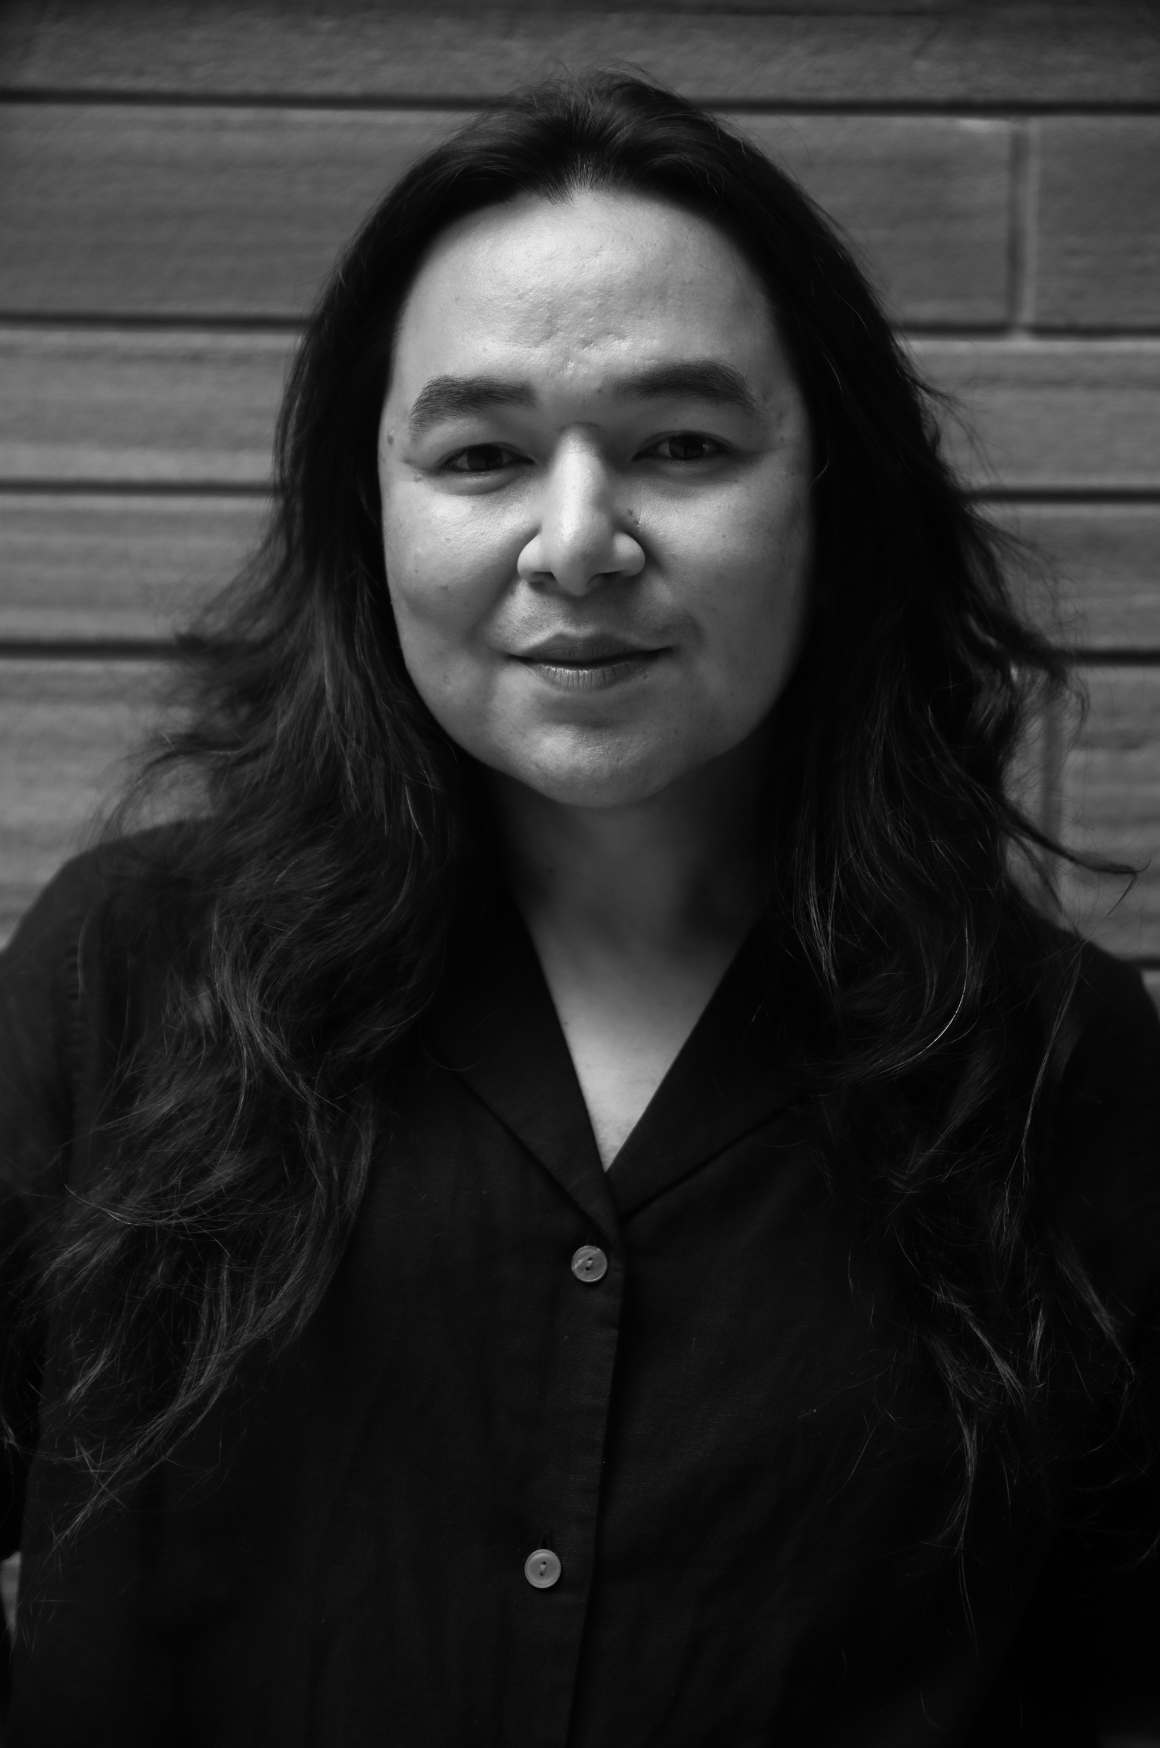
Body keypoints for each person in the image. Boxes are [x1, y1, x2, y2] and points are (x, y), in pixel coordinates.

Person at [0, 71, 1156, 1747]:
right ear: (370, 515)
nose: (577, 541)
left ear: (830, 494)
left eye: (681, 445)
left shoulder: (1058, 1064)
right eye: (481, 454)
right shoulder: (129, 969)